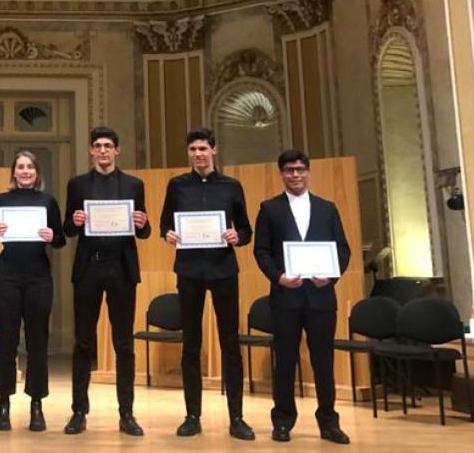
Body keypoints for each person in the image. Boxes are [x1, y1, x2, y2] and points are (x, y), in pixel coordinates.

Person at [160, 127, 255, 440]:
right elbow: (165, 224)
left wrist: (236, 237)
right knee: (191, 345)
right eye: (193, 150)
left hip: (224, 270)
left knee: (230, 343)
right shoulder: (177, 185)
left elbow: (245, 229)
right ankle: (192, 415)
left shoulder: (231, 186)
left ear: (213, 150)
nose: (198, 154)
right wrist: (169, 235)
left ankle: (237, 418)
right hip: (188, 271)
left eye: (203, 149)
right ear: (189, 153)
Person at [253, 150, 352, 445]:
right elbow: (262, 251)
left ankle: (329, 422)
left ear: (308, 172)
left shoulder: (327, 208)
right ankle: (282, 420)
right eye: (289, 170)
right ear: (281, 174)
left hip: (321, 298)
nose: (295, 175)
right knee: (284, 360)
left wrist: (331, 276)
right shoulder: (269, 208)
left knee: (323, 361)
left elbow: (342, 249)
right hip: (286, 297)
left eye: (299, 169)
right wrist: (278, 276)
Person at [62, 126, 151, 437]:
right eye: (97, 146)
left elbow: (143, 229)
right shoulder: (77, 184)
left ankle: (126, 413)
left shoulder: (134, 184)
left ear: (117, 150)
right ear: (91, 151)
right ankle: (78, 412)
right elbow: (67, 231)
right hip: (88, 269)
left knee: (123, 344)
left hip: (122, 270)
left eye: (108, 146)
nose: (102, 151)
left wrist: (143, 223)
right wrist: (73, 222)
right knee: (83, 342)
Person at [0, 151, 66, 432]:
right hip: (7, 276)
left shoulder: (48, 201)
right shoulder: (1, 201)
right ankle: (3, 405)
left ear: (37, 172)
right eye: (20, 167)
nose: (25, 171)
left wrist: (52, 237)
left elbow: (60, 239)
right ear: (13, 173)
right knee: (6, 342)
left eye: (30, 167)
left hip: (38, 277)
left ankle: (36, 404)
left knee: (37, 342)